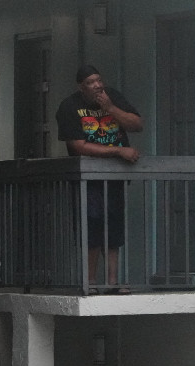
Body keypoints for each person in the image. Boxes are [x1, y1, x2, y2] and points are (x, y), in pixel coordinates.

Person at [56, 65, 143, 293]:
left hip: (114, 177)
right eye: (90, 82)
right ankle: (91, 281)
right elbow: (77, 146)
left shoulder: (111, 97)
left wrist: (111, 108)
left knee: (114, 226)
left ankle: (112, 282)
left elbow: (137, 124)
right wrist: (118, 151)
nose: (97, 85)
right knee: (92, 226)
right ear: (81, 87)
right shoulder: (70, 106)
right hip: (89, 177)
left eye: (98, 80)